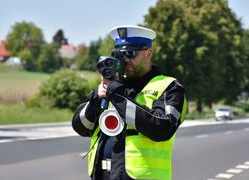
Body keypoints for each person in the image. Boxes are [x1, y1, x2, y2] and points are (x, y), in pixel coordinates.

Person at [72, 25, 187, 180]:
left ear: (148, 54)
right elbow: (81, 127)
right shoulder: (114, 88)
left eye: (130, 53)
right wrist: (96, 100)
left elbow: (162, 128)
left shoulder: (169, 86)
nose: (125, 60)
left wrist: (117, 96)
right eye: (119, 55)